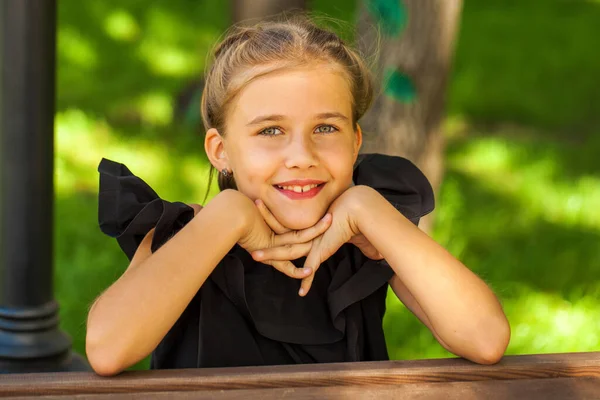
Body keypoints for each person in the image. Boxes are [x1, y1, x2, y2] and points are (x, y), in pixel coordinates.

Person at [87, 14, 510, 377]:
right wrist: (228, 216)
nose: (301, 157)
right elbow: (108, 350)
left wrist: (369, 210)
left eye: (325, 129)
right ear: (221, 151)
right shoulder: (184, 236)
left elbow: (485, 338)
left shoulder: (365, 239)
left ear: (355, 141)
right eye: (271, 131)